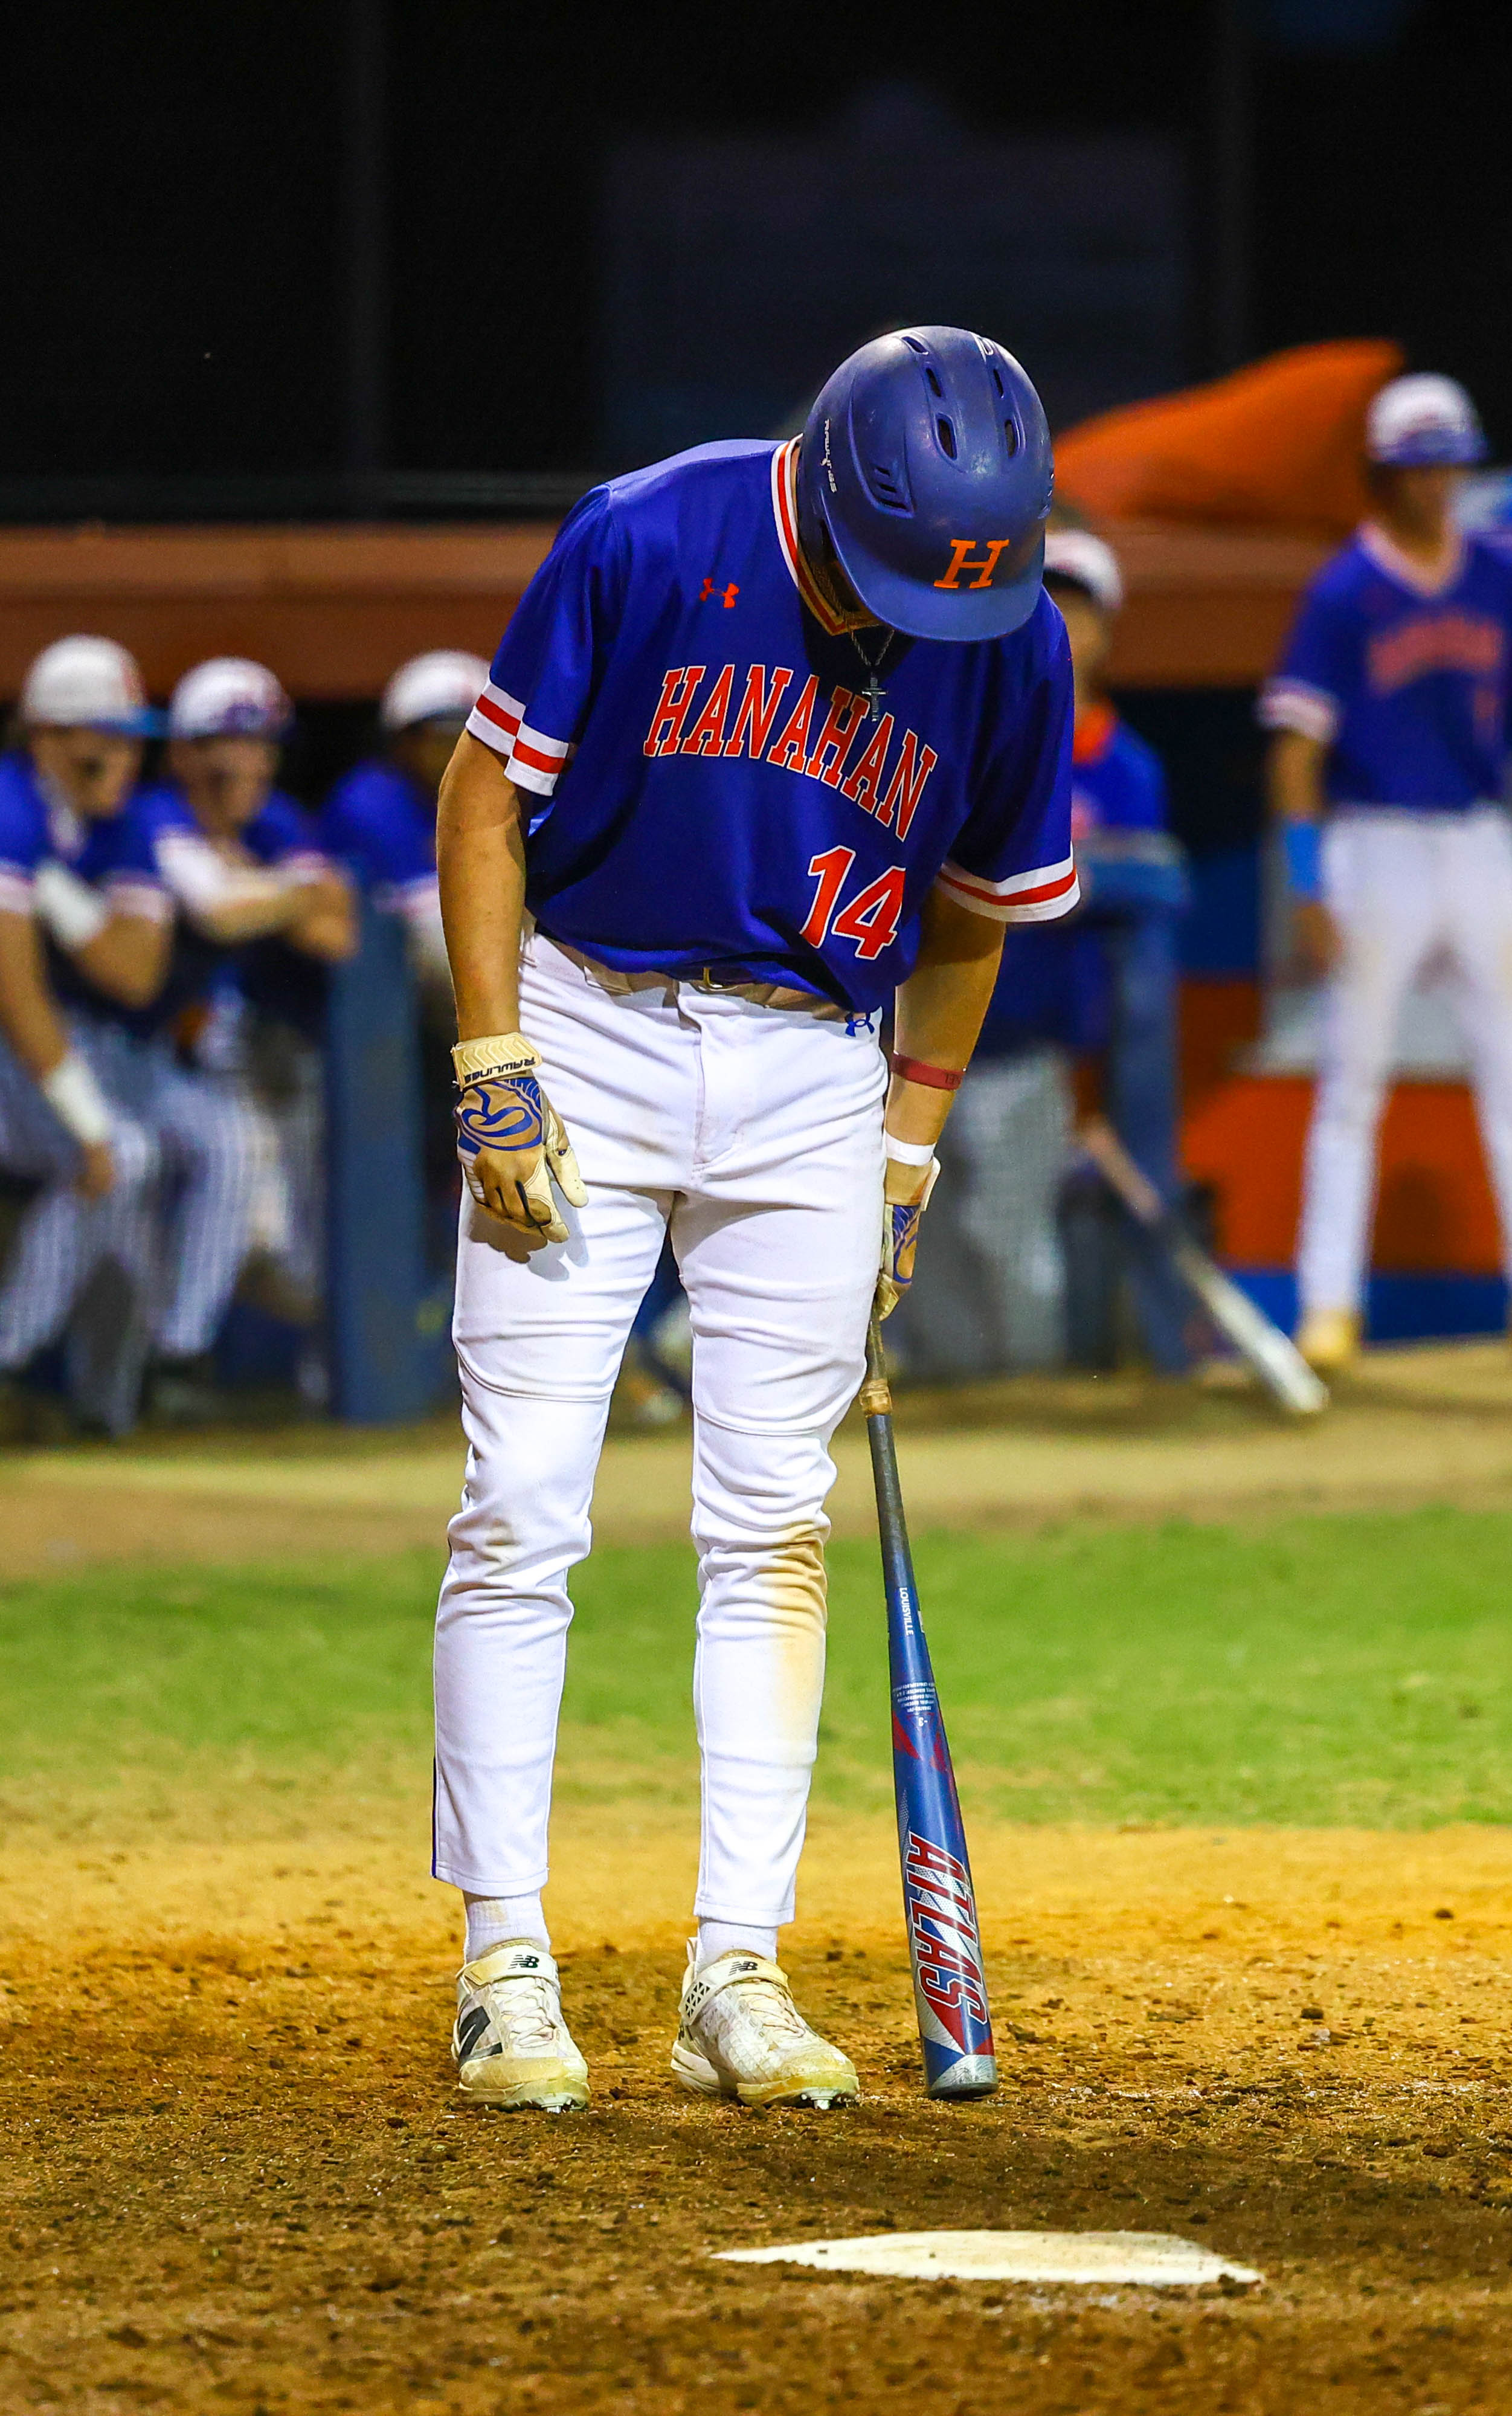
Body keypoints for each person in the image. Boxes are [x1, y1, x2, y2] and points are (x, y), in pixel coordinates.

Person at [433, 324, 1076, 2111]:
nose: (911, 616)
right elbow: (485, 795)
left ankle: (737, 1965)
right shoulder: (646, 531)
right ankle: (501, 1960)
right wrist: (490, 1050)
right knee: (521, 1502)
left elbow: (974, 906)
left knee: (775, 1524)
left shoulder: (1008, 628)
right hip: (587, 1020)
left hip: (816, 1072)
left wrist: (906, 1156)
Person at [1260, 373, 1512, 1373]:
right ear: (1384, 474)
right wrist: (1305, 880)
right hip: (1374, 844)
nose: (1434, 483)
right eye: (1416, 467)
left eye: (1446, 465)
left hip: (1478, 835)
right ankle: (1328, 1306)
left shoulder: (1492, 572)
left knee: (1508, 1074)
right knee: (1351, 1083)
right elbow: (1294, 752)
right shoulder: (1344, 591)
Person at [82, 658, 355, 1417]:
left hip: (166, 1060)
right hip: (91, 1043)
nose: (249, 763)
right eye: (228, 745)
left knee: (241, 1183)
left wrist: (262, 888)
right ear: (185, 754)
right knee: (153, 1195)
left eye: (262, 745)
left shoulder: (274, 823)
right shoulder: (153, 814)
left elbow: (336, 932)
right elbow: (218, 913)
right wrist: (291, 891)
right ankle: (136, 1372)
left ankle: (175, 1362)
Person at [0, 637, 170, 1435]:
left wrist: (55, 894)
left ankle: (106, 1406)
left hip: (44, 1056)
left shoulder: (119, 822)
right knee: (119, 1155)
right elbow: (16, 993)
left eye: (132, 739)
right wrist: (89, 1127)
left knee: (129, 1192)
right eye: (104, 738)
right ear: (47, 736)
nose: (122, 757)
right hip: (19, 1045)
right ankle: (10, 1363)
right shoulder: (9, 804)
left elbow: (137, 975)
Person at [319, 649, 490, 994]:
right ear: (403, 741)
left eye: (481, 739)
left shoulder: (495, 799)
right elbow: (435, 936)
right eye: (447, 736)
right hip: (368, 989)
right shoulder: (371, 801)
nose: (464, 752)